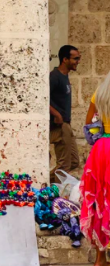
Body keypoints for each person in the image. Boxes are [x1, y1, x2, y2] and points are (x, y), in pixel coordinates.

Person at [81, 73, 110, 266]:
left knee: (100, 199)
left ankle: (100, 260)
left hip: (102, 149)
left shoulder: (99, 94)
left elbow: (89, 124)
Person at [50, 45, 81, 182]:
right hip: (60, 126)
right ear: (65, 59)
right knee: (64, 165)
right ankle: (54, 194)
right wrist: (56, 114)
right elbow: (41, 98)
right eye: (75, 58)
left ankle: (44, 180)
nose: (78, 61)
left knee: (74, 162)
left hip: (66, 125)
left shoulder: (65, 76)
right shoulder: (55, 77)